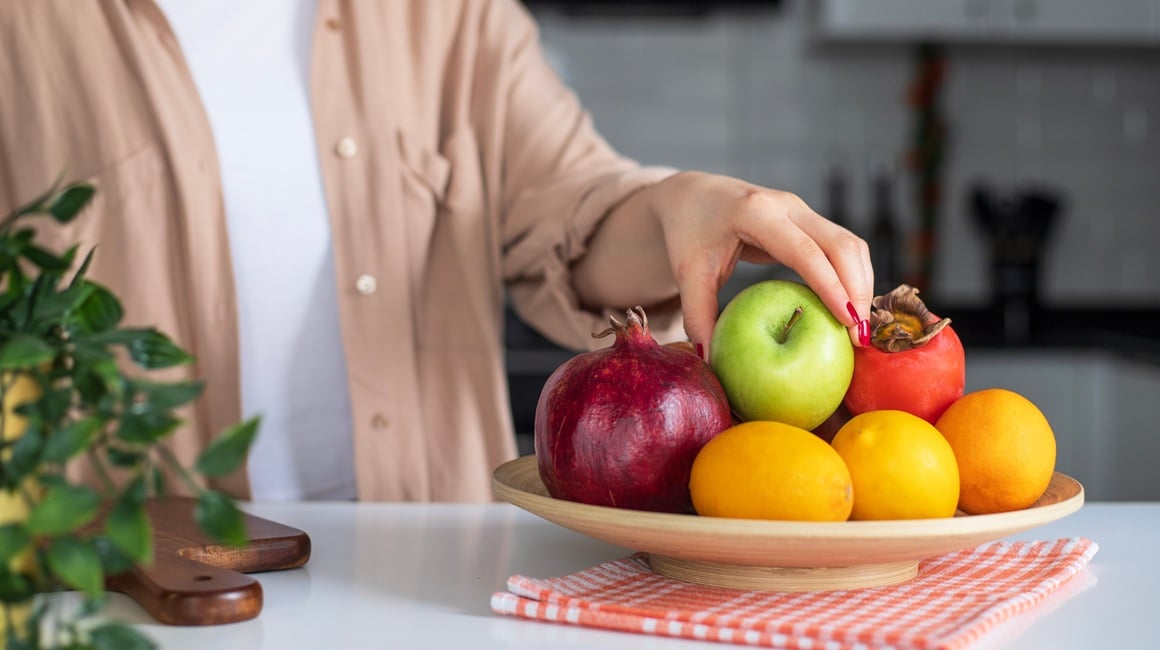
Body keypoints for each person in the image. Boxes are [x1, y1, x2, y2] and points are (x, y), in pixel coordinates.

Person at [0, 0, 872, 502]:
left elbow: (568, 212)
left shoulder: (451, 15)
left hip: (421, 580)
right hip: (120, 587)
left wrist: (683, 205)